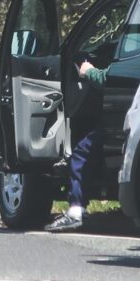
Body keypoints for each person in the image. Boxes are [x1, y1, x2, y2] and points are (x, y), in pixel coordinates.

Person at [46, 58, 108, 233]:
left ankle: (76, 211)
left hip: (121, 122)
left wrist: (88, 71)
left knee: (81, 153)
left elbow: (110, 78)